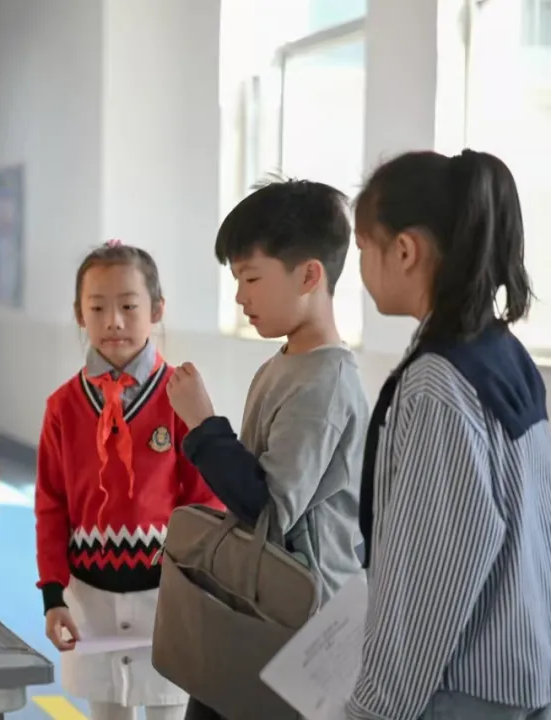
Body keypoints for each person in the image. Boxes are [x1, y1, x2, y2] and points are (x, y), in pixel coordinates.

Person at [346, 149, 551, 720]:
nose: (360, 269)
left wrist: (374, 709)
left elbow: (430, 575)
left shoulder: (437, 383)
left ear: (404, 250)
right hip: (523, 669)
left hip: (463, 688)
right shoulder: (505, 353)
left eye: (363, 248)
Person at [167, 180, 368, 717]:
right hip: (261, 598)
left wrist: (203, 424)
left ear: (309, 275)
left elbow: (269, 510)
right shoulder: (285, 364)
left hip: (299, 623)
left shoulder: (323, 383)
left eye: (251, 277)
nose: (240, 296)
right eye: (237, 279)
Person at [35, 241, 222, 720]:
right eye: (97, 307)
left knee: (169, 706)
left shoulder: (180, 397)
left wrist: (201, 587)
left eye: (129, 306)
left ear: (157, 310)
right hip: (89, 599)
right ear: (79, 313)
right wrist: (53, 596)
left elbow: (206, 501)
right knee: (107, 711)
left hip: (167, 598)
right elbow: (51, 507)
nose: (113, 321)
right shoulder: (62, 407)